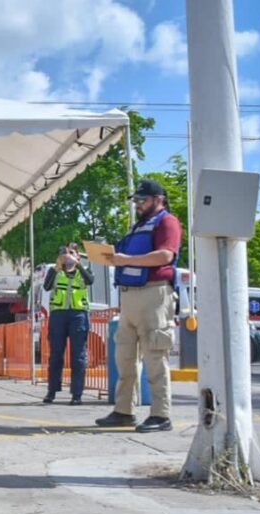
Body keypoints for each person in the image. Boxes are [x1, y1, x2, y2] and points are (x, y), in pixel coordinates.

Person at [96, 179, 182, 433]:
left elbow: (166, 255)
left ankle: (161, 414)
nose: (138, 205)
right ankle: (124, 410)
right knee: (125, 358)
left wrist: (127, 259)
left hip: (154, 294)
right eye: (136, 201)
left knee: (155, 356)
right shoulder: (138, 227)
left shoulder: (167, 222)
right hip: (130, 295)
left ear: (159, 200)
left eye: (142, 200)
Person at [42, 244, 93, 405]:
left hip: (78, 314)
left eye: (71, 253)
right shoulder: (56, 271)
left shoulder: (83, 271)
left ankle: (76, 394)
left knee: (78, 356)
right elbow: (46, 286)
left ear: (78, 256)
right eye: (65, 253)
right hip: (58, 314)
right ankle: (52, 391)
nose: (67, 255)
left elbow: (90, 281)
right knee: (56, 354)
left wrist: (78, 265)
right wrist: (57, 266)